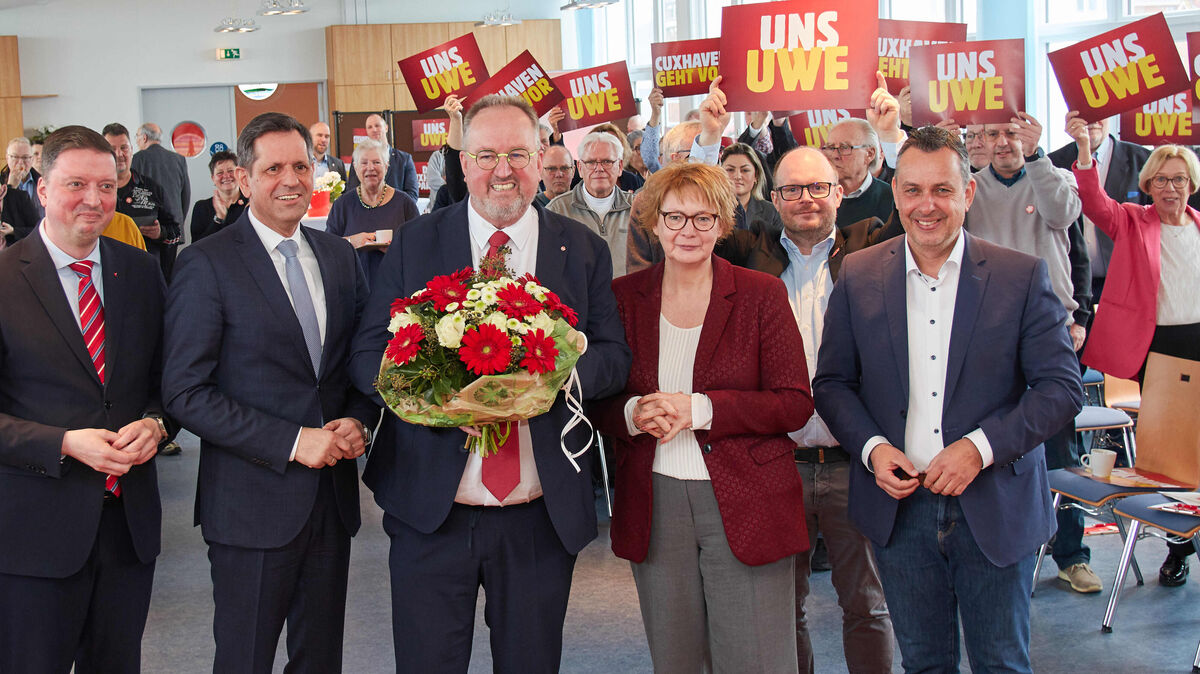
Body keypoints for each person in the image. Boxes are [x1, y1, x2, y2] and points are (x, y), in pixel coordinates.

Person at [348, 94, 630, 673]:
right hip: (432, 510)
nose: (503, 170)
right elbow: (365, 354)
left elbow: (614, 358)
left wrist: (551, 376)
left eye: (519, 154)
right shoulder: (415, 243)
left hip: (539, 514)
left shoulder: (581, 250)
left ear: (543, 157)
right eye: (486, 155)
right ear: (463, 160)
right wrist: (433, 388)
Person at [813, 126, 1083, 673]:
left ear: (968, 194)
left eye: (942, 190)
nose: (926, 206)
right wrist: (871, 448)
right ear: (896, 194)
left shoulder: (1021, 276)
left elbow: (1061, 388)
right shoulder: (859, 274)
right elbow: (833, 384)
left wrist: (979, 449)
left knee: (1002, 662)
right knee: (925, 663)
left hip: (996, 507)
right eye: (912, 190)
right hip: (900, 508)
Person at [162, 112, 377, 673]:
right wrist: (291, 441)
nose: (291, 180)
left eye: (302, 166)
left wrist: (359, 420)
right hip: (250, 508)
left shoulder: (339, 257)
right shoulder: (206, 263)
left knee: (320, 658)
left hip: (330, 503)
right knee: (245, 658)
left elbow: (353, 366)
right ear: (243, 178)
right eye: (274, 167)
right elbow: (185, 392)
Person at [592, 161, 811, 672]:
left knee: (757, 659)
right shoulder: (623, 299)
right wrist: (631, 413)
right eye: (674, 217)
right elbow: (598, 397)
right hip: (655, 500)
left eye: (702, 218)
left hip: (746, 499)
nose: (687, 230)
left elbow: (794, 402)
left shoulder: (761, 294)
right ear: (653, 222)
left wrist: (702, 409)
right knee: (677, 659)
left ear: (722, 222)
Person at [0, 124, 170, 673]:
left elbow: (167, 382)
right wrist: (64, 443)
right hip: (34, 533)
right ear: (42, 190)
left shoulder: (141, 273)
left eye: (106, 184)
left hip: (128, 531)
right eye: (76, 184)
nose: (94, 200)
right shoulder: (4, 280)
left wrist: (158, 422)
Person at [719, 147, 895, 672]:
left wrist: (890, 132)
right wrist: (709, 142)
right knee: (780, 608)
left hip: (856, 464)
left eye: (818, 187)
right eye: (791, 190)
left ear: (840, 193)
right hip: (778, 465)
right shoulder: (750, 253)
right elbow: (700, 221)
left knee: (867, 604)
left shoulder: (872, 249)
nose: (806, 201)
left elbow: (924, 208)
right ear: (773, 200)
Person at [965, 112, 1101, 593]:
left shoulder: (1055, 177)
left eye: (1011, 133)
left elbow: (1065, 220)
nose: (1002, 143)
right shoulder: (971, 189)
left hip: (1051, 328)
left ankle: (1072, 554)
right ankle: (1007, 553)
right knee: (999, 443)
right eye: (991, 134)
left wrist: (1080, 317)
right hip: (987, 332)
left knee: (1061, 451)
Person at [1068, 114, 1200, 587]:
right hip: (1160, 350)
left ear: (1191, 184)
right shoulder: (1131, 220)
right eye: (1161, 179)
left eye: (1179, 179)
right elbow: (1092, 201)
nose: (1170, 188)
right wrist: (1084, 148)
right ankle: (1177, 546)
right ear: (1148, 184)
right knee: (1170, 454)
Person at [1050, 114, 1150, 302]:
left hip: (1129, 286)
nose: (1092, 120)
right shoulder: (1052, 164)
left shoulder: (1143, 160)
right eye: (1082, 113)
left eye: (1098, 112)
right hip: (1071, 288)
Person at [326, 138, 420, 289]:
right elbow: (327, 250)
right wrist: (351, 242)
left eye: (377, 162)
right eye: (364, 163)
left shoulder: (404, 203)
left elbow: (420, 247)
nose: (370, 168)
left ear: (386, 166)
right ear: (355, 168)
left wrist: (397, 248)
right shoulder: (342, 205)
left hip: (397, 289)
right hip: (353, 290)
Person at [547, 132, 635, 277]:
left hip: (628, 297)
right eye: (591, 162)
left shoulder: (638, 207)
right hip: (578, 298)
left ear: (620, 166)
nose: (599, 168)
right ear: (580, 168)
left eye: (607, 161)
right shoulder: (557, 211)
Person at [104, 123, 183, 282]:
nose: (119, 154)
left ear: (132, 150)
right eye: (112, 149)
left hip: (145, 275)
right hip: (106, 275)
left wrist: (160, 233)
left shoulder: (152, 188)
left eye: (124, 148)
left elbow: (175, 230)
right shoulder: (95, 192)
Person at [823, 118, 895, 227]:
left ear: (869, 154)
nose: (835, 155)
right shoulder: (820, 197)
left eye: (844, 147)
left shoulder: (891, 199)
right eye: (830, 147)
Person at [346, 113, 419, 201]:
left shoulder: (404, 159)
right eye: (370, 127)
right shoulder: (358, 158)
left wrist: (390, 208)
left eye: (377, 125)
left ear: (386, 128)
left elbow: (412, 194)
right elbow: (352, 191)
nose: (374, 129)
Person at [131, 123, 190, 229]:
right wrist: (179, 222)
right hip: (174, 226)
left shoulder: (137, 159)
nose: (136, 141)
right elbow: (185, 195)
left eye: (137, 137)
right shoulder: (178, 159)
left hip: (147, 228)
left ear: (144, 138)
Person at [720, 142, 782, 235]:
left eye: (745, 170)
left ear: (756, 175)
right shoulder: (712, 210)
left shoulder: (772, 212)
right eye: (730, 170)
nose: (737, 176)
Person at [190, 150, 247, 242]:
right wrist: (219, 218)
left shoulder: (252, 204)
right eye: (220, 173)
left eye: (230, 171)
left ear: (239, 173)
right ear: (213, 178)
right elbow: (197, 246)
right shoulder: (201, 207)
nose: (226, 176)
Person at [3, 136, 43, 217]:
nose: (20, 163)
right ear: (7, 158)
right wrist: (10, 187)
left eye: (25, 157)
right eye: (15, 157)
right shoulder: (1, 182)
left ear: (31, 159)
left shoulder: (43, 181)